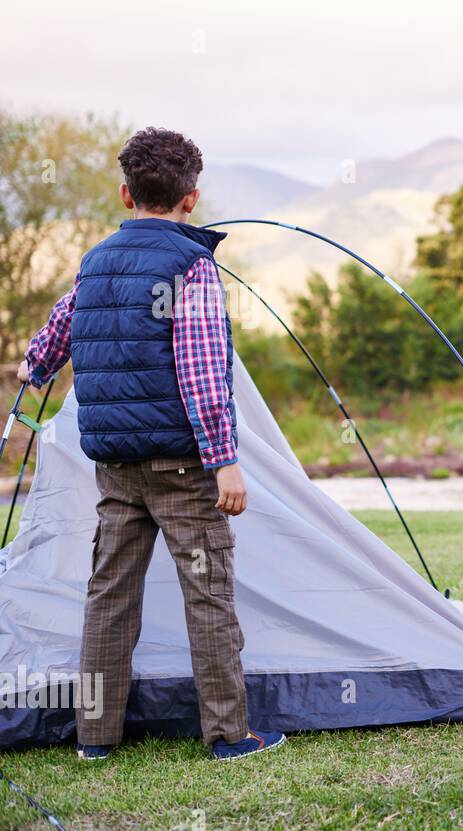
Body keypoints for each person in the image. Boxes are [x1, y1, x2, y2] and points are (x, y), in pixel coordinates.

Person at [16, 127, 284, 761]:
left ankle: (95, 738)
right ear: (192, 199)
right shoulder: (190, 265)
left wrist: (33, 368)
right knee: (208, 593)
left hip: (114, 467)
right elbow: (198, 370)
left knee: (108, 599)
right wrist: (224, 462)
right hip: (183, 469)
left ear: (124, 192)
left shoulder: (95, 262)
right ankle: (228, 734)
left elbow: (52, 341)